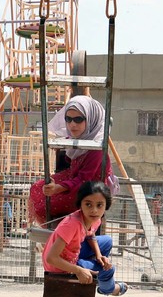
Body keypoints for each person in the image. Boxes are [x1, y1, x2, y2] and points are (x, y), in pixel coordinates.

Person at [28, 96, 115, 225]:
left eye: (78, 119)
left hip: (89, 190)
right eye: (68, 119)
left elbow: (84, 179)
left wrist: (58, 188)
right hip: (75, 181)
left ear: (91, 120)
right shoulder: (77, 141)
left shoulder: (97, 148)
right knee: (37, 188)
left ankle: (57, 236)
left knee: (44, 205)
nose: (72, 124)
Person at [42, 180, 127, 297]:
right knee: (109, 270)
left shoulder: (95, 219)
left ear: (106, 205)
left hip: (71, 252)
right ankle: (108, 289)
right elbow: (51, 258)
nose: (94, 210)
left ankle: (95, 270)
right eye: (88, 204)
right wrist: (78, 270)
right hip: (60, 266)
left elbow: (90, 234)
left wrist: (99, 255)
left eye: (99, 205)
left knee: (107, 241)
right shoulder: (72, 224)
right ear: (80, 204)